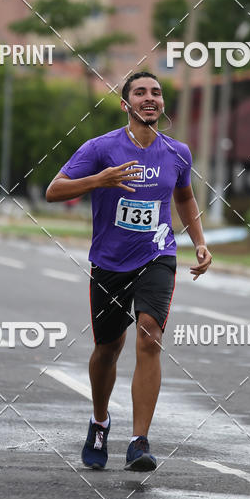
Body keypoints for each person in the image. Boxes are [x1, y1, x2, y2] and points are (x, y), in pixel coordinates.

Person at [46, 72, 212, 472]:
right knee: (107, 349)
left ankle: (139, 441)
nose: (149, 98)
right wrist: (98, 180)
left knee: (149, 336)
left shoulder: (178, 153)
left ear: (163, 104)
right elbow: (54, 189)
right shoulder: (100, 148)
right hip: (109, 262)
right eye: (140, 93)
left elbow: (185, 197)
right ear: (126, 104)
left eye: (156, 92)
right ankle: (99, 421)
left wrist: (200, 240)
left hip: (157, 255)